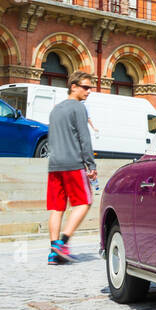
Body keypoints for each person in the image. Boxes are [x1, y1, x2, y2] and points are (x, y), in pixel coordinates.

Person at [45, 73, 98, 264]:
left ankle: (53, 252)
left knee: (57, 208)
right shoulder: (78, 108)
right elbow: (84, 138)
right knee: (85, 202)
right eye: (85, 87)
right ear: (73, 86)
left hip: (54, 165)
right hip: (73, 164)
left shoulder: (55, 109)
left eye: (90, 88)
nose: (89, 91)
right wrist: (91, 165)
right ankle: (63, 243)